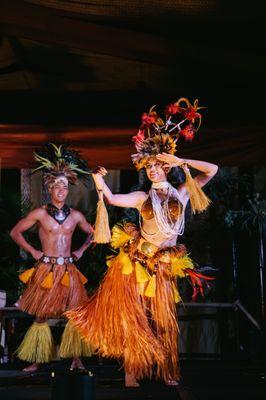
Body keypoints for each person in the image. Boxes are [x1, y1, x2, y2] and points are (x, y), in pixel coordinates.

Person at [66, 98, 218, 386]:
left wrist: (181, 161)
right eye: (148, 167)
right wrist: (100, 182)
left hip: (164, 264)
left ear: (166, 168)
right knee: (134, 317)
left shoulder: (183, 192)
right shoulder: (142, 198)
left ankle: (169, 371)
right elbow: (110, 199)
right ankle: (132, 372)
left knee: (162, 319)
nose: (152, 170)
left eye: (157, 166)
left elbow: (213, 170)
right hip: (136, 263)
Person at [10, 144, 94, 372]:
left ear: (68, 190)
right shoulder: (38, 213)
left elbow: (94, 233)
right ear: (49, 188)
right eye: (57, 186)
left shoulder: (76, 216)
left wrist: (81, 250)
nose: (61, 190)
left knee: (75, 315)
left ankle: (76, 359)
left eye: (65, 186)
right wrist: (33, 251)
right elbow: (15, 232)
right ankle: (37, 359)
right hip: (46, 268)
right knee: (40, 316)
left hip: (68, 269)